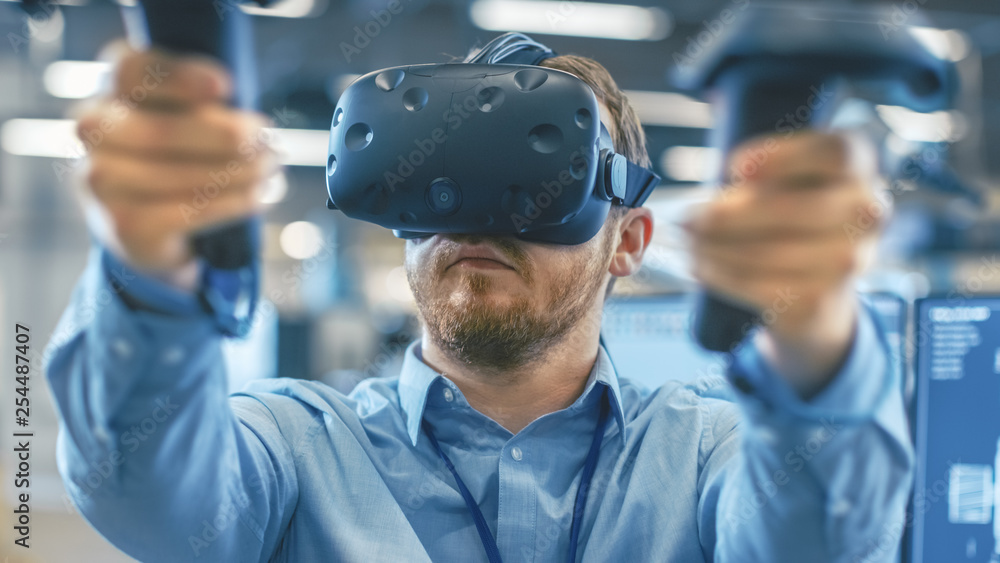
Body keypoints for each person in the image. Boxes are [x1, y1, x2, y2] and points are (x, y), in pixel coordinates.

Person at [45, 37, 910, 563]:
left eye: (540, 180)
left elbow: (818, 541)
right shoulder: (294, 451)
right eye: (440, 181)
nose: (479, 217)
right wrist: (147, 264)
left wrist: (813, 327)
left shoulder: (705, 456)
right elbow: (142, 490)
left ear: (630, 244)